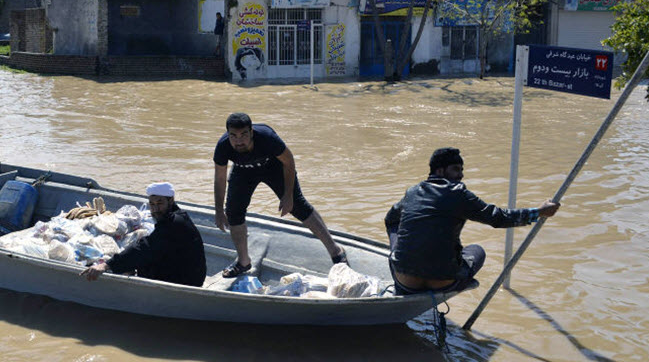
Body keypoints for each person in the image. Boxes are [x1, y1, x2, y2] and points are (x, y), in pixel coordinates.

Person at [384, 147, 561, 295]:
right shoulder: (459, 194)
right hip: (443, 282)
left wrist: (397, 250)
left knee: (397, 237)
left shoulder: (412, 192)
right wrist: (539, 212)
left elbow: (390, 220)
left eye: (462, 170)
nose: (461, 175)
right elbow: (498, 218)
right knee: (477, 250)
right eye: (456, 169)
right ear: (440, 171)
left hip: (405, 281)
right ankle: (446, 279)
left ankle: (402, 265)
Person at [214, 113, 347, 278]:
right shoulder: (223, 146)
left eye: (244, 135)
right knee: (233, 212)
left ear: (252, 132)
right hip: (243, 171)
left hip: (274, 167)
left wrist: (288, 196)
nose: (239, 141)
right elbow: (220, 178)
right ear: (228, 134)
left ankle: (335, 250)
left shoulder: (267, 137)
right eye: (233, 136)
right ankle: (243, 261)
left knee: (298, 206)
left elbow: (289, 161)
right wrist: (219, 210)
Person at [81, 182, 206, 287]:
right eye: (152, 204)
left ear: (171, 201)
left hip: (188, 281)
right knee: (138, 258)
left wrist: (107, 265)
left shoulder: (173, 223)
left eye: (160, 203)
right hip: (193, 275)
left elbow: (145, 247)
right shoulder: (179, 216)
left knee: (141, 258)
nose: (155, 209)